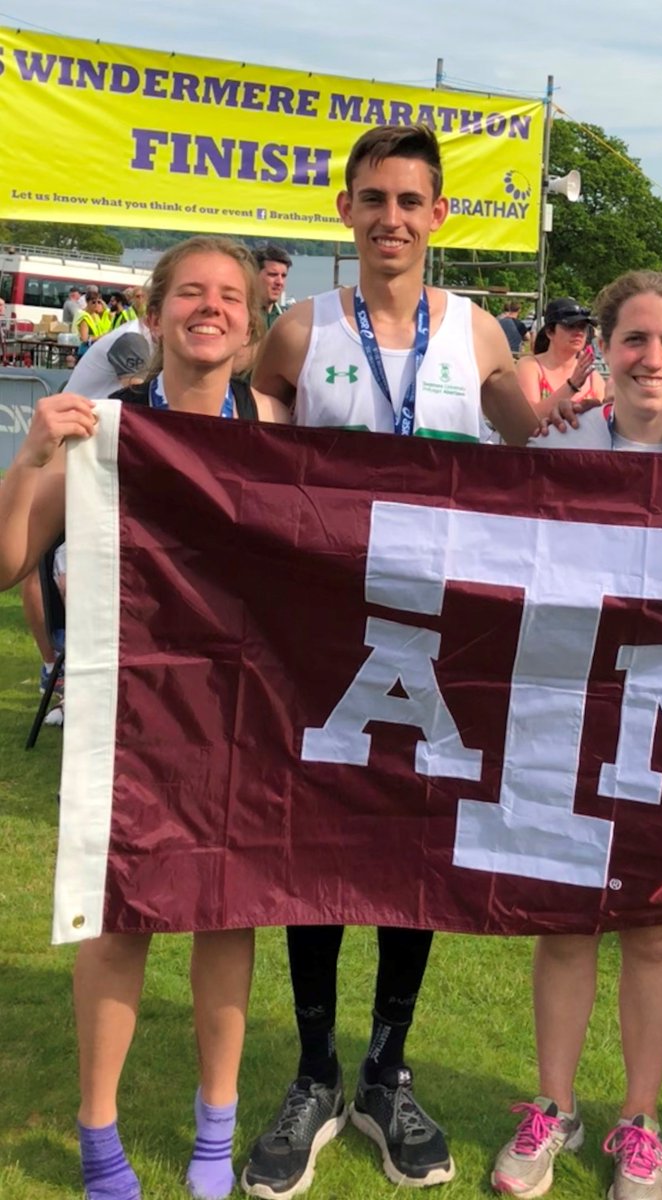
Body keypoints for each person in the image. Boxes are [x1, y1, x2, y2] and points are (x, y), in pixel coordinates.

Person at [245, 123, 537, 1200]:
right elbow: (256, 436)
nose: (391, 219)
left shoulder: (483, 333)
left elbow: (536, 453)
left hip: (442, 636)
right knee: (315, 836)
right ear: (345, 210)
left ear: (439, 215)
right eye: (372, 199)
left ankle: (386, 1068)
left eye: (410, 201)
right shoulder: (298, 328)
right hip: (323, 635)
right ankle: (317, 1070)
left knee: (417, 844)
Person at [0, 235, 289, 1200]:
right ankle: (98, 1136)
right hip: (121, 716)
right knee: (117, 918)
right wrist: (33, 456)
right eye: (190, 294)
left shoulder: (279, 425)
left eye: (229, 298)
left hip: (241, 715)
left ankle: (216, 1136)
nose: (210, 310)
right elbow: (5, 564)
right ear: (156, 314)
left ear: (251, 327)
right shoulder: (98, 426)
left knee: (226, 916)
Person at [491, 271, 662, 1200]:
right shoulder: (564, 443)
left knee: (655, 923)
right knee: (565, 916)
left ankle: (639, 1120)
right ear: (602, 346)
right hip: (567, 702)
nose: (654, 359)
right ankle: (553, 1107)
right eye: (635, 340)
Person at [517, 298, 607, 417]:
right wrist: (572, 386)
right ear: (550, 332)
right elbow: (529, 419)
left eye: (582, 327)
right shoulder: (530, 366)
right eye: (570, 326)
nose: (578, 332)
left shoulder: (593, 378)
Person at [67, 285, 151, 399]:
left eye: (99, 302)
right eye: (94, 302)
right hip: (81, 412)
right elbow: (138, 402)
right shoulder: (133, 338)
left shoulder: (107, 316)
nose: (98, 305)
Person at [255, 244, 293, 330]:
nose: (279, 282)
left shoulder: (285, 320)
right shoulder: (241, 317)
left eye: (283, 276)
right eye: (273, 274)